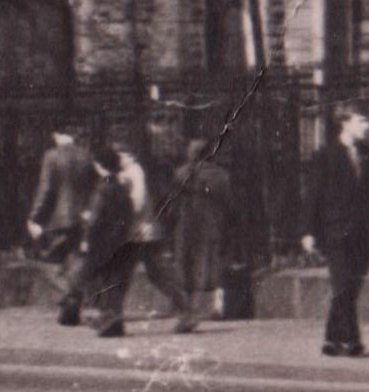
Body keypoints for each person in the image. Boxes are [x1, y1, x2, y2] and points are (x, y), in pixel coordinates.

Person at [77, 140, 185, 338]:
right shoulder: (124, 175)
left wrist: (115, 217)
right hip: (133, 233)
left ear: (128, 155)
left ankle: (186, 311)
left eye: (120, 155)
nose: (118, 159)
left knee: (149, 275)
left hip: (140, 233)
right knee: (131, 276)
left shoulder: (134, 172)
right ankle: (114, 320)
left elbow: (137, 203)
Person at [304, 109, 369, 359]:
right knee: (343, 282)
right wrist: (308, 231)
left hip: (364, 231)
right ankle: (352, 340)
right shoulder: (326, 155)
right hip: (336, 230)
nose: (367, 125)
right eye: (362, 119)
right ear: (345, 124)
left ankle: (331, 337)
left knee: (351, 286)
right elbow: (313, 195)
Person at [164, 125, 237, 336]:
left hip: (185, 228)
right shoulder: (221, 176)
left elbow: (172, 204)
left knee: (184, 268)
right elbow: (229, 205)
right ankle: (203, 309)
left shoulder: (180, 173)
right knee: (205, 267)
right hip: (211, 227)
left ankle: (187, 312)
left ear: (192, 154)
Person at [28, 126, 102, 326]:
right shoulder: (87, 155)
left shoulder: (51, 156)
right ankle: (70, 312)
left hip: (58, 219)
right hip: (82, 218)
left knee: (48, 262)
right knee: (77, 260)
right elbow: (96, 186)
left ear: (56, 134)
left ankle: (69, 294)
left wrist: (35, 217)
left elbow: (46, 189)